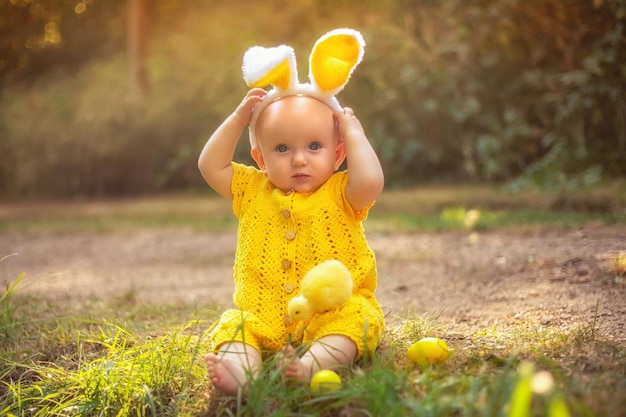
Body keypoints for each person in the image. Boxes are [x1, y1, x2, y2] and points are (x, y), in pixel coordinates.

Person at [198, 29, 385, 396]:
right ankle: (241, 376)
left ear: (338, 155)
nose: (299, 158)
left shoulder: (341, 191)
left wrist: (354, 131)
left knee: (355, 323)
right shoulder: (252, 189)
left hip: (331, 310)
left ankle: (309, 366)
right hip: (262, 312)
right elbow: (210, 166)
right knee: (237, 330)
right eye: (282, 148)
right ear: (261, 159)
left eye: (314, 146)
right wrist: (238, 120)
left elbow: (372, 183)